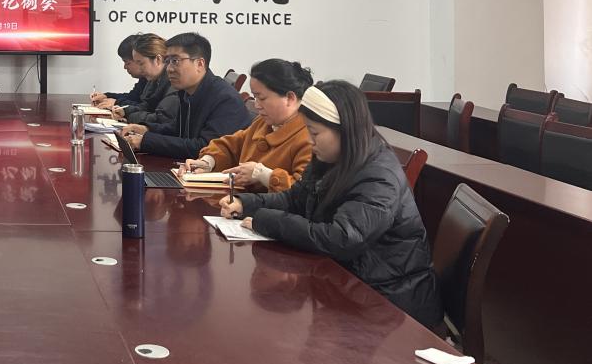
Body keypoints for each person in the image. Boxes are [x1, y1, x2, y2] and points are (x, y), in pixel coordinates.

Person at [219, 80, 442, 330]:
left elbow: (342, 238)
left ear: (344, 130)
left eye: (314, 133)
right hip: (351, 284)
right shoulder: (331, 156)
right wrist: (246, 204)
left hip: (390, 305)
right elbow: (295, 199)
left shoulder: (379, 176)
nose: (309, 141)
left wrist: (267, 221)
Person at [177, 58, 314, 192]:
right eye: (255, 97)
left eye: (262, 98)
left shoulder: (310, 136)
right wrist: (208, 161)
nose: (257, 105)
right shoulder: (263, 122)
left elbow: (303, 192)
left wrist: (263, 175)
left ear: (290, 98)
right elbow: (231, 145)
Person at [120, 32, 251, 158]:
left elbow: (204, 148)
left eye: (175, 61)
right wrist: (146, 129)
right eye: (167, 61)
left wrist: (145, 142)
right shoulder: (187, 91)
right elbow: (178, 130)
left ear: (199, 64)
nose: (169, 68)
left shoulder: (225, 99)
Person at [89, 33, 146, 110]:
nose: (125, 67)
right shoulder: (144, 79)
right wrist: (106, 96)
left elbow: (146, 108)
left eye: (127, 63)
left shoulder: (156, 80)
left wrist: (117, 103)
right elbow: (133, 97)